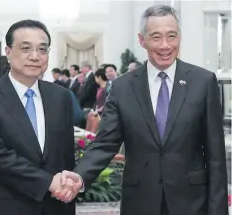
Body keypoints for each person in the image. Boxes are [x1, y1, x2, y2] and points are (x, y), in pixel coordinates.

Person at [56, 5, 229, 215]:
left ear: (179, 37)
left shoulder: (202, 82)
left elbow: (216, 156)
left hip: (191, 203)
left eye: (171, 36)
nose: (165, 45)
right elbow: (105, 143)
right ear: (142, 40)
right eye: (156, 37)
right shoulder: (122, 87)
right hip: (140, 202)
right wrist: (79, 176)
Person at [0, 20, 76, 215]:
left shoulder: (61, 96)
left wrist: (69, 185)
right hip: (6, 204)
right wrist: (48, 182)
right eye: (25, 48)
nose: (35, 56)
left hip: (56, 205)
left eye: (42, 49)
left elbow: (66, 154)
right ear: (8, 52)